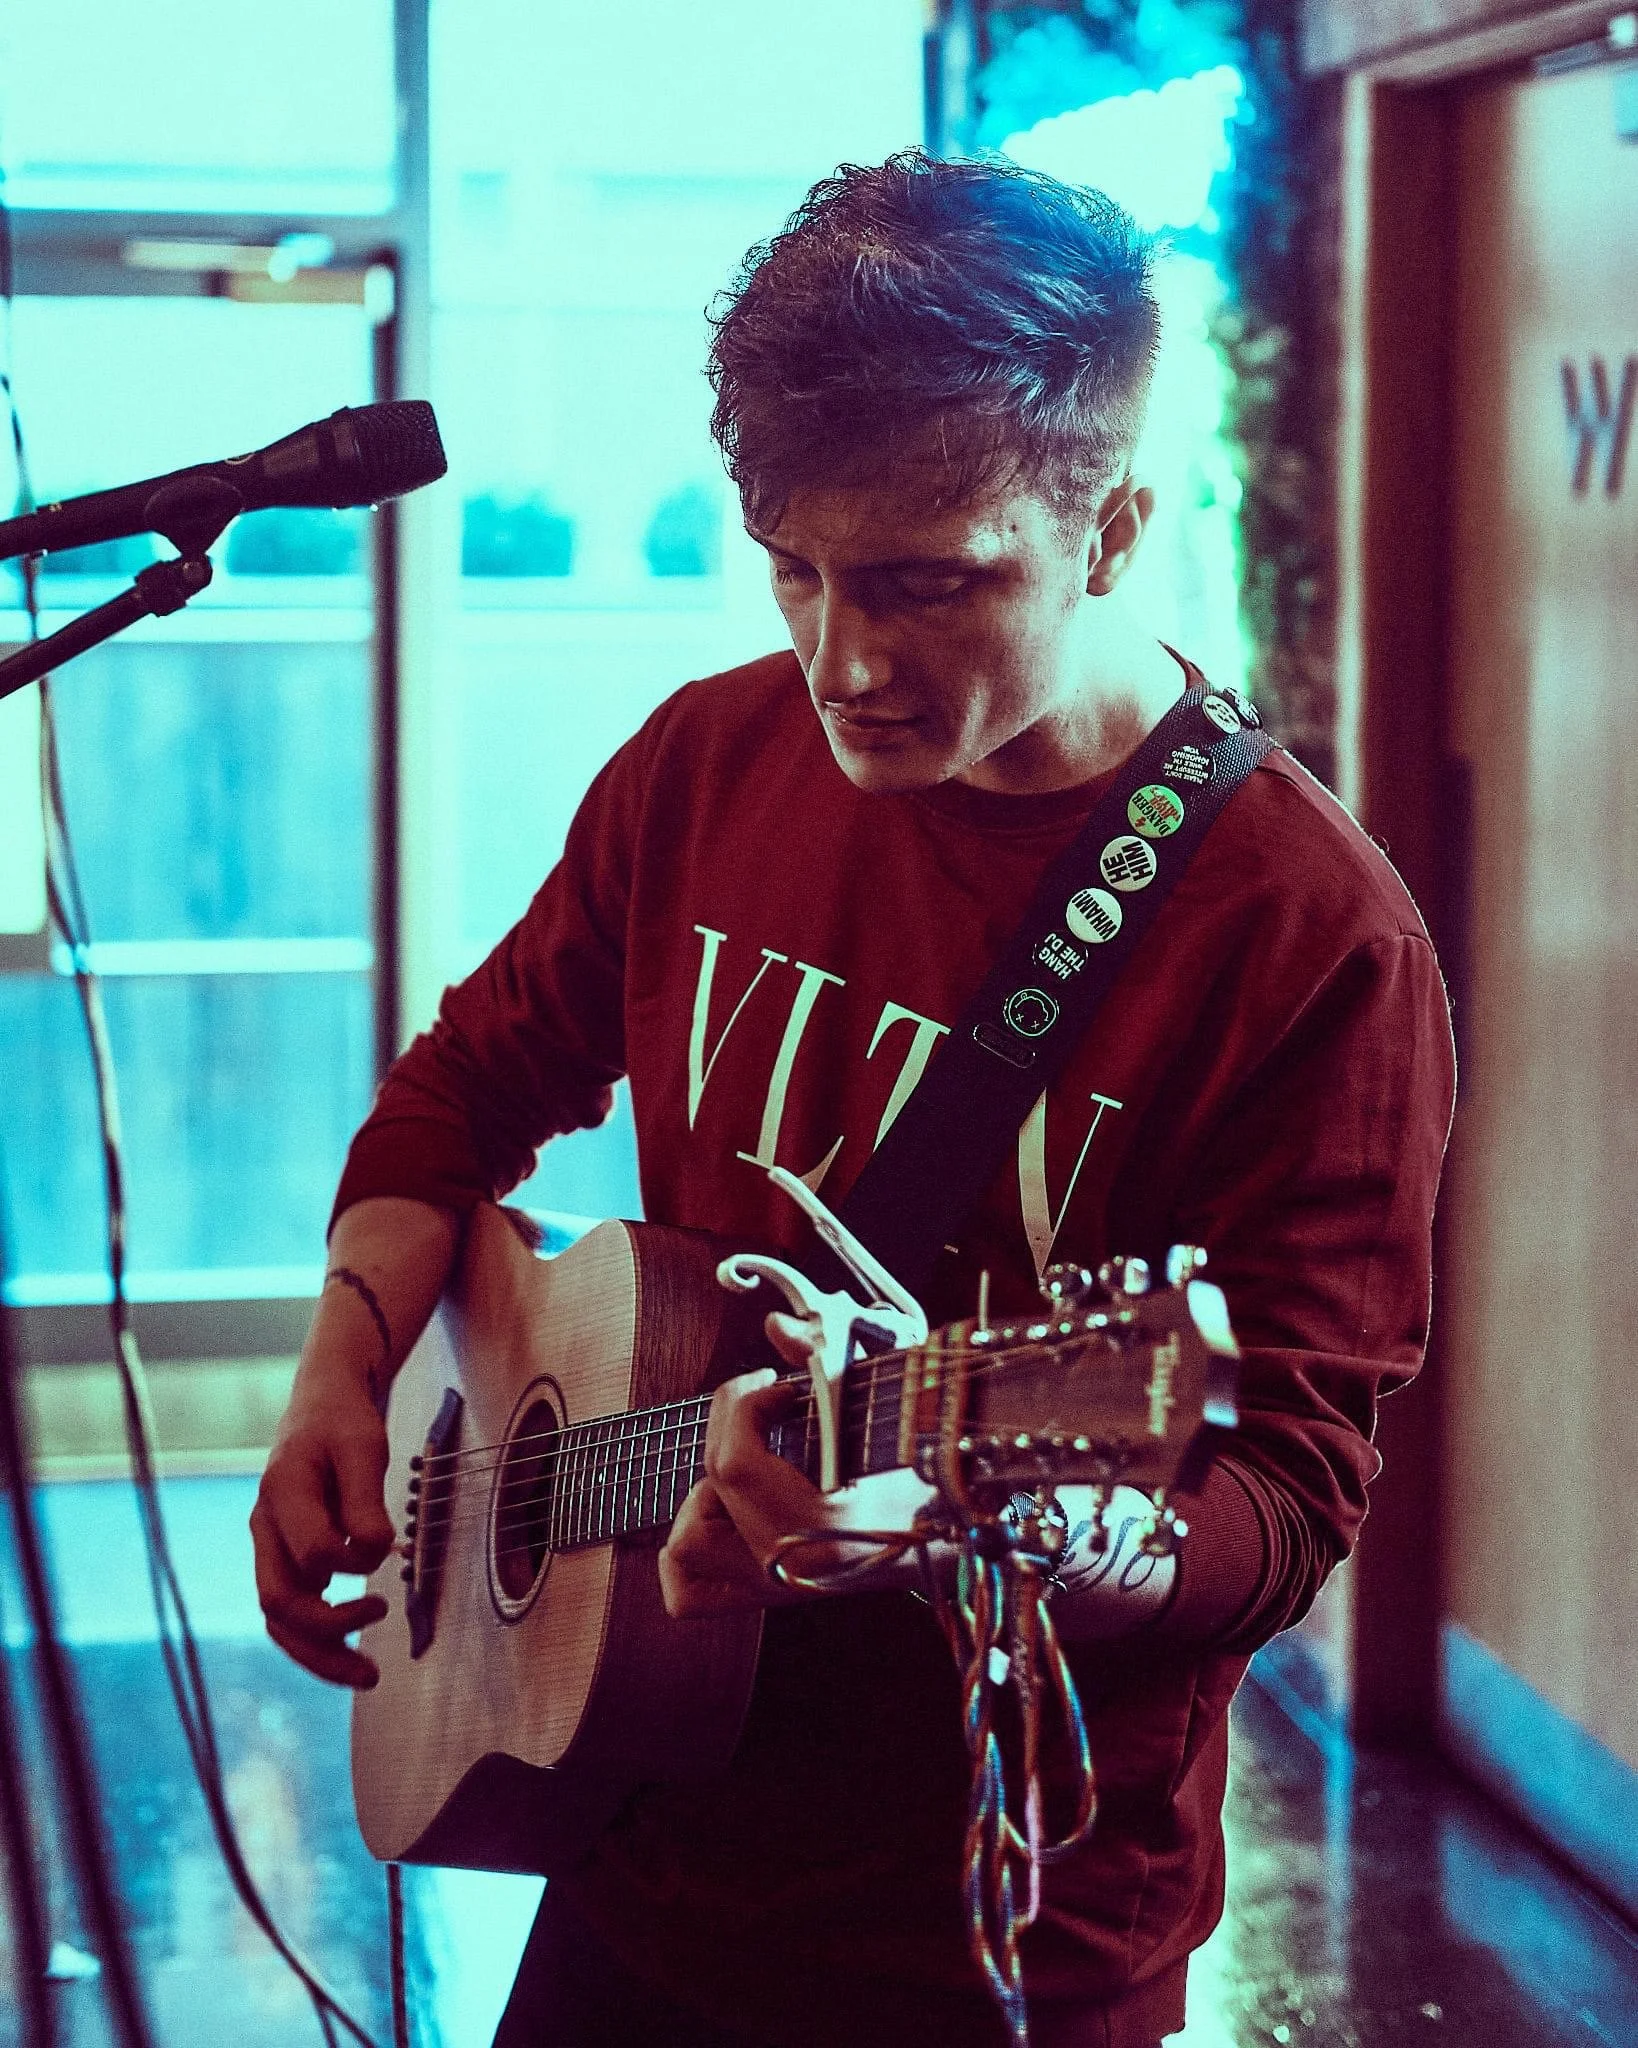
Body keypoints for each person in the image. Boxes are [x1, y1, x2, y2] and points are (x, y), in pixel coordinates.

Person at [251, 151, 1455, 2048]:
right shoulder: (705, 762)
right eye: (794, 571)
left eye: (926, 583)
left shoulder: (1307, 937)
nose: (845, 661)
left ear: (1113, 527)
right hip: (621, 1822)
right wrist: (342, 1358)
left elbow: (1282, 1499)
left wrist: (1008, 1532)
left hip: (986, 1938)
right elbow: (466, 1087)